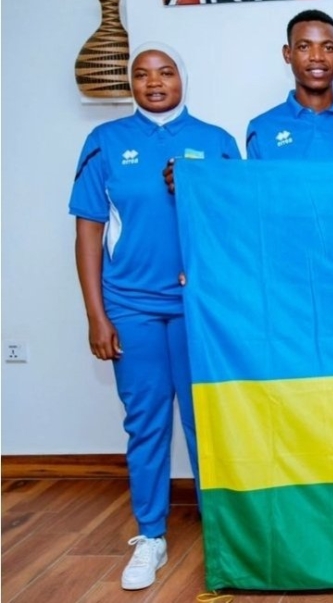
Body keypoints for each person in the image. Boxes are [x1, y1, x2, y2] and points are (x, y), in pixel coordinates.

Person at [69, 43, 240, 590]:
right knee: (146, 424)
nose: (154, 82)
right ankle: (150, 537)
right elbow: (88, 231)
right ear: (131, 84)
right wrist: (97, 315)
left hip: (198, 309)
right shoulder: (105, 143)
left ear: (182, 79)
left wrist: (194, 193)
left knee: (206, 422)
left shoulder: (216, 143)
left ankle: (226, 531)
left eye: (165, 72)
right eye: (141, 75)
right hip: (132, 307)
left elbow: (238, 225)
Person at [246, 9, 333, 160]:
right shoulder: (262, 129)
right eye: (304, 47)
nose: (317, 57)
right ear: (287, 54)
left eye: (328, 48)